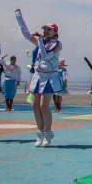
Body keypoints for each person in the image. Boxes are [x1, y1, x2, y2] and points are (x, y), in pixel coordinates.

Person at [15, 9, 62, 147]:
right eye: (45, 29)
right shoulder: (42, 42)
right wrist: (19, 17)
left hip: (50, 76)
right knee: (35, 105)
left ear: (55, 32)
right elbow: (26, 34)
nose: (46, 31)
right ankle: (40, 132)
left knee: (43, 106)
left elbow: (46, 56)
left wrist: (40, 40)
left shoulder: (57, 44)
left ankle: (48, 132)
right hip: (38, 75)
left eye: (49, 29)